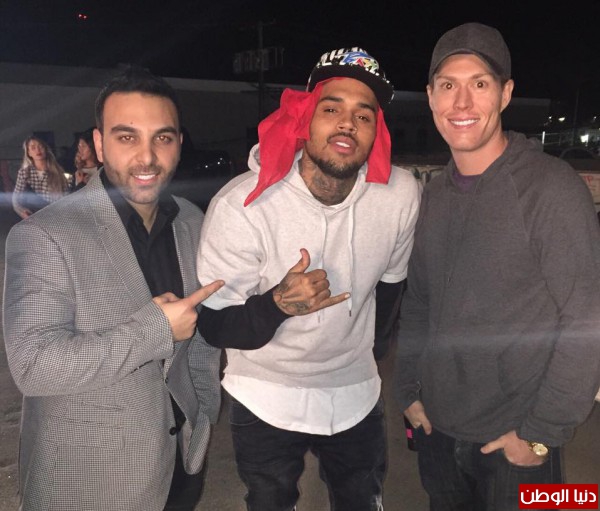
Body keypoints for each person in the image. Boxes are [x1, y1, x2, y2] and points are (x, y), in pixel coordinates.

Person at [196, 47, 421, 511]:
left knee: (362, 500)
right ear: (304, 118)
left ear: (377, 130)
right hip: (264, 393)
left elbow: (391, 285)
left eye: (364, 115)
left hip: (355, 390)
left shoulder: (399, 195)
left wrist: (367, 351)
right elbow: (214, 325)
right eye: (331, 109)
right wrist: (276, 305)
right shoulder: (242, 205)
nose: (347, 123)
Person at [394, 22, 600, 510]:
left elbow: (585, 320)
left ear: (505, 94)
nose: (462, 103)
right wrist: (408, 388)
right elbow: (419, 301)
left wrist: (541, 434)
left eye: (480, 84)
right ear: (430, 97)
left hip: (518, 440)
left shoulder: (552, 189)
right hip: (437, 430)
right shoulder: (435, 194)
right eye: (448, 85)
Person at [3, 66, 224, 511]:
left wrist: (203, 412)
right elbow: (33, 365)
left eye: (162, 138)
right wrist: (155, 329)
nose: (147, 157)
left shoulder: (191, 220)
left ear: (179, 143)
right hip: (89, 478)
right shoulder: (45, 234)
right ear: (100, 144)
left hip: (180, 466)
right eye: (127, 137)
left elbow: (200, 340)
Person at [12, 135, 69, 219]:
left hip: (54, 217)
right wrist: (23, 212)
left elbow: (65, 197)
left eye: (40, 146)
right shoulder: (24, 173)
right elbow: (16, 198)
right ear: (28, 153)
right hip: (32, 217)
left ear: (46, 149)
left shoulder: (58, 172)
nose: (38, 150)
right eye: (33, 148)